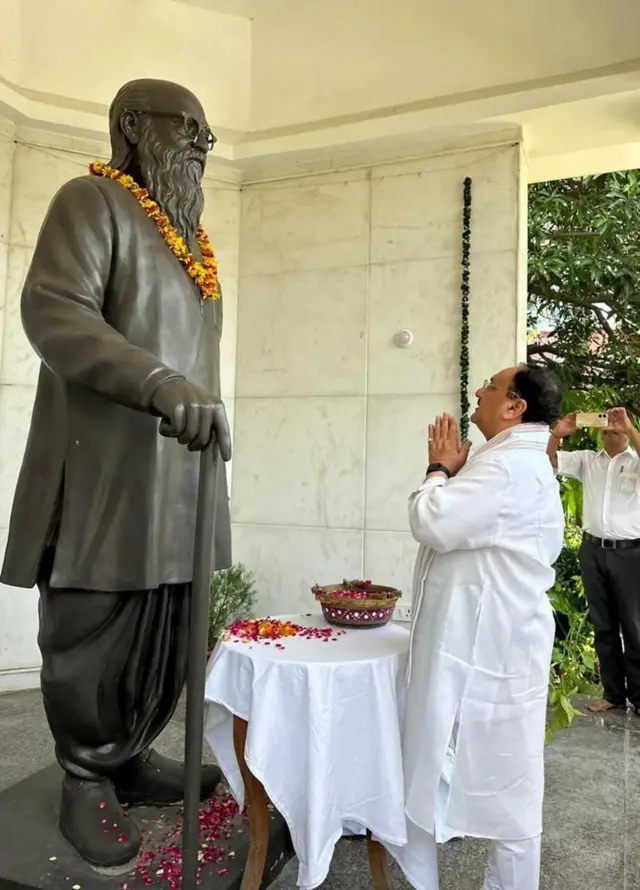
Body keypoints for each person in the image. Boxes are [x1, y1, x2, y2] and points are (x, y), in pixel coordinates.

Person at [0, 80, 232, 867]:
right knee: (91, 634)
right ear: (135, 125)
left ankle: (130, 755)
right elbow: (55, 312)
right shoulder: (90, 203)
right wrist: (160, 384)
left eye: (208, 132)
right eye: (190, 127)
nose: (204, 143)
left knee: (164, 632)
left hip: (181, 483)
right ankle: (85, 776)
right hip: (103, 478)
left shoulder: (192, 244)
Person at [386, 365, 565, 890]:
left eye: (490, 385)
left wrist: (438, 469)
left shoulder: (508, 468)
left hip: (489, 652)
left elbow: (433, 521)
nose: (479, 391)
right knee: (498, 783)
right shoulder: (508, 462)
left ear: (515, 408)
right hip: (491, 644)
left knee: (508, 793)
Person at [548, 407, 640, 715]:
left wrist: (629, 427)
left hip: (630, 553)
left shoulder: (636, 460)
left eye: (617, 423)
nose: (610, 427)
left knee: (635, 627)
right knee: (603, 626)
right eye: (606, 422)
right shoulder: (588, 459)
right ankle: (613, 694)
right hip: (592, 550)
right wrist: (558, 434)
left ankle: (639, 699)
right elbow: (547, 462)